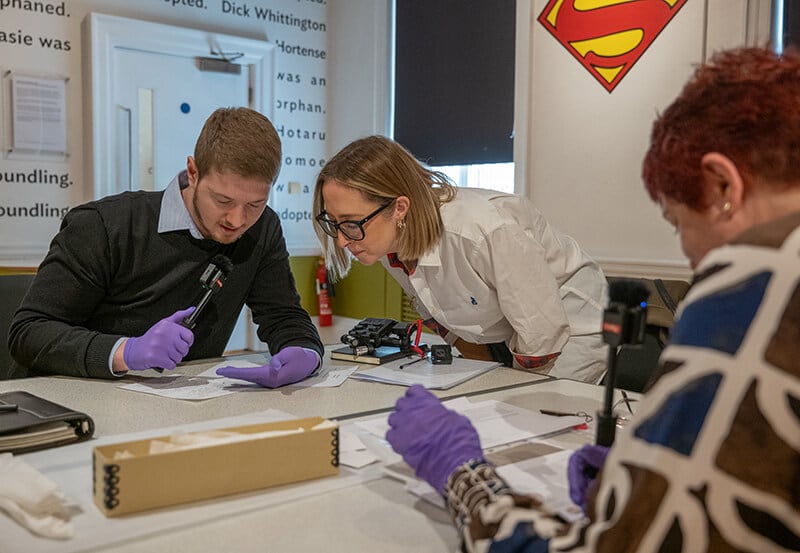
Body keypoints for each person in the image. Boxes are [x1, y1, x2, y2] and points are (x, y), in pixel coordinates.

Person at [385, 46, 800, 552]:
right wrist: (640, 481)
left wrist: (463, 476)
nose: (692, 258)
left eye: (678, 224)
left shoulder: (759, 292)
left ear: (722, 186)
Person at [7, 107, 323, 388]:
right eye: (223, 200)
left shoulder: (262, 228)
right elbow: (29, 333)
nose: (237, 220)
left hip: (177, 409)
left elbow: (283, 316)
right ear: (193, 171)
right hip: (70, 399)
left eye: (255, 204)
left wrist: (305, 352)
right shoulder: (104, 226)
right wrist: (125, 351)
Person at [313, 136, 608, 383]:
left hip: (572, 330)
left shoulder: (481, 230)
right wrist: (484, 378)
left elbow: (543, 332)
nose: (341, 240)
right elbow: (443, 317)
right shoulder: (387, 241)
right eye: (334, 223)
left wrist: (507, 389)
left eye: (351, 223)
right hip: (508, 336)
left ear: (399, 207)